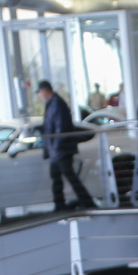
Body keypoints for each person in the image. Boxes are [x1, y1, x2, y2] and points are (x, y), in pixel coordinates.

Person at [37, 80, 98, 212]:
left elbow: (61, 128)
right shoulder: (53, 104)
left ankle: (86, 203)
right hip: (57, 150)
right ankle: (61, 204)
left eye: (39, 92)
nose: (39, 95)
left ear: (45, 90)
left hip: (61, 150)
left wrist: (55, 146)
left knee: (67, 177)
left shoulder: (57, 104)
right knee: (58, 178)